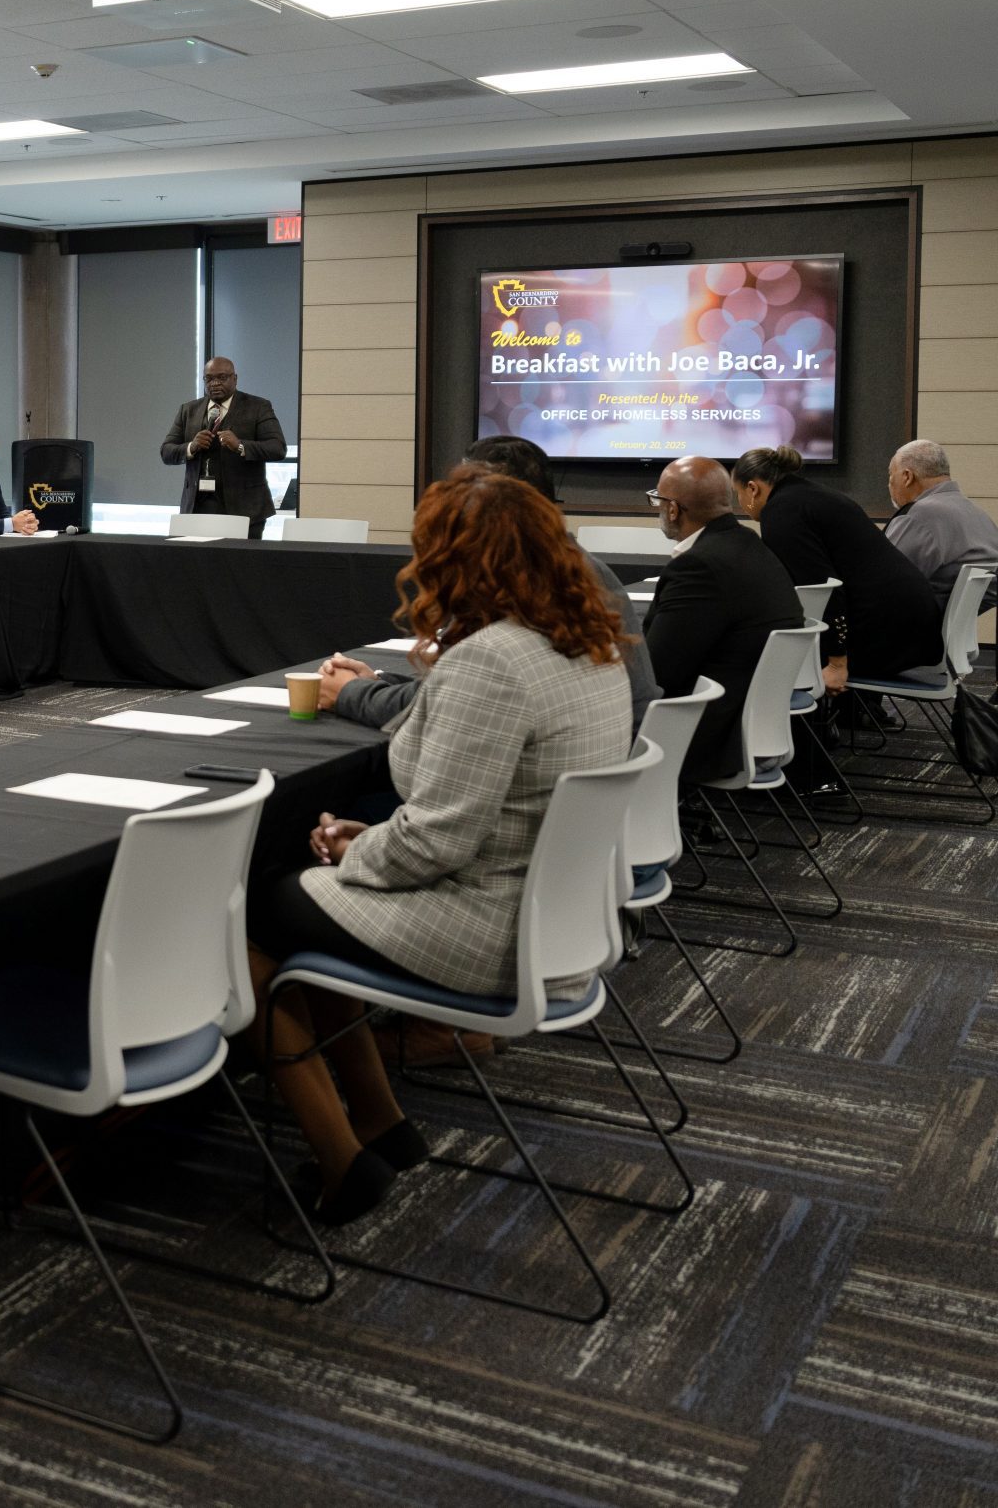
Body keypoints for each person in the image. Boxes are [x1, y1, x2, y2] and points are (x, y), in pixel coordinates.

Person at [249, 467, 633, 1224]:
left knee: (252, 919)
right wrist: (377, 837)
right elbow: (473, 812)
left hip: (487, 924)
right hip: (545, 915)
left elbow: (437, 840)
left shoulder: (491, 660)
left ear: (454, 560)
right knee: (305, 919)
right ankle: (382, 1124)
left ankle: (343, 1159)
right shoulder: (589, 646)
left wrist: (358, 853)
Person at [320, 436, 658, 735]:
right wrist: (377, 683)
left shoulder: (525, 585)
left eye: (468, 495)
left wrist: (351, 693)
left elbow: (460, 697)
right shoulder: (570, 565)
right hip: (607, 769)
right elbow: (459, 690)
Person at [636, 456, 805, 781]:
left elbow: (657, 675)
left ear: (673, 509)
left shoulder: (698, 567)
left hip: (707, 737)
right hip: (751, 723)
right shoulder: (747, 543)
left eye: (657, 500)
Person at [733, 446, 940, 690]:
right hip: (914, 623)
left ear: (752, 489)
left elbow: (823, 590)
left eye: (737, 493)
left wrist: (837, 664)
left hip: (891, 634)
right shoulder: (811, 496)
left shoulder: (781, 512)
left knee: (762, 652)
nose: (739, 502)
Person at [159, 355, 288, 536]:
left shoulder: (258, 407)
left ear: (235, 379)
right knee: (198, 563)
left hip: (245, 509)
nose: (215, 383)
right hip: (197, 508)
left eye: (222, 377)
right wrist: (191, 446)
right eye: (209, 379)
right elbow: (166, 452)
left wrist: (240, 446)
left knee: (241, 564)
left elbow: (278, 448)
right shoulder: (188, 410)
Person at [884, 438, 998, 610]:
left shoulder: (918, 516)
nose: (889, 483)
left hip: (912, 629)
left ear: (907, 476)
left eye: (891, 475)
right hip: (949, 630)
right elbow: (994, 593)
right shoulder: (977, 513)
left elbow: (883, 579)